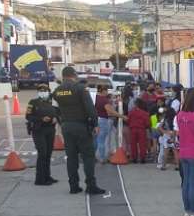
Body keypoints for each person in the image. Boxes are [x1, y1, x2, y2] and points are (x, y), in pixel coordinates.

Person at [52, 66, 105, 195]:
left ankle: (74, 186)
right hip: (81, 126)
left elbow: (55, 110)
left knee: (71, 157)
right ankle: (91, 185)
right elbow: (90, 108)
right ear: (74, 75)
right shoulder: (80, 88)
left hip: (66, 127)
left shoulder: (57, 91)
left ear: (63, 76)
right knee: (88, 157)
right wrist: (95, 124)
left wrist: (62, 122)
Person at [26, 84, 59, 186]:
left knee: (48, 154)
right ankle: (40, 179)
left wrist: (56, 118)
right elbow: (28, 116)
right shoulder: (33, 102)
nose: (43, 92)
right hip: (38, 130)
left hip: (50, 130)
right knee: (42, 153)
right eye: (41, 90)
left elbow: (58, 113)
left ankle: (47, 176)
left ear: (48, 92)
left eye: (45, 90)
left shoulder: (52, 102)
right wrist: (41, 119)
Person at [94, 85, 125, 163]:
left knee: (95, 139)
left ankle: (93, 156)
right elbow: (110, 111)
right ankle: (102, 158)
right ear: (103, 91)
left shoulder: (94, 98)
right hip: (103, 120)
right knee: (102, 140)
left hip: (95, 119)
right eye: (106, 91)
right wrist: (121, 116)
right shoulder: (104, 100)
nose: (107, 92)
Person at [127, 99, 150, 164]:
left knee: (133, 144)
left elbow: (128, 120)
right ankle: (143, 158)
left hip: (133, 129)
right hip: (142, 129)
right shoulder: (145, 113)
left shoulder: (131, 112)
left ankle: (134, 158)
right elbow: (147, 123)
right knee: (142, 144)